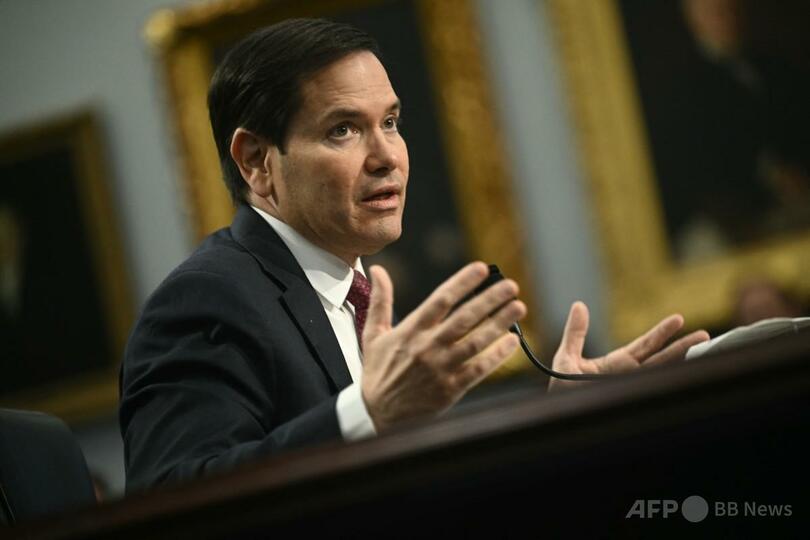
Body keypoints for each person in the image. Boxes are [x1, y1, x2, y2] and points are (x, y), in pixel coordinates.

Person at [119, 18, 709, 492]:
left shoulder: (358, 295)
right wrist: (366, 414)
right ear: (256, 161)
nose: (388, 157)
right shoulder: (209, 298)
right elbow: (173, 500)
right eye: (344, 130)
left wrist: (558, 426)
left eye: (391, 122)